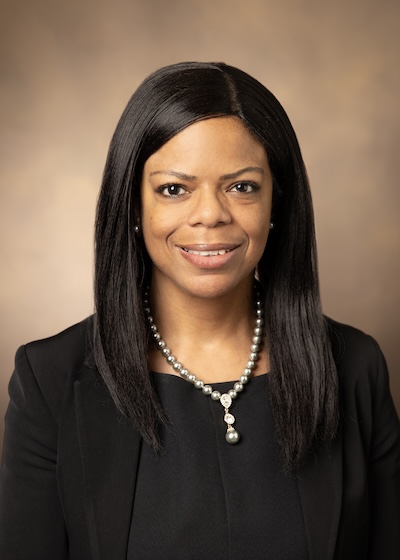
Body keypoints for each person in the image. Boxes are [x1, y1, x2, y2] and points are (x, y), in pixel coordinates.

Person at [0, 61, 399, 560]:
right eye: (174, 189)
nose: (210, 214)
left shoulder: (356, 368)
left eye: (242, 186)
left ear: (277, 203)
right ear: (132, 206)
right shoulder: (50, 380)